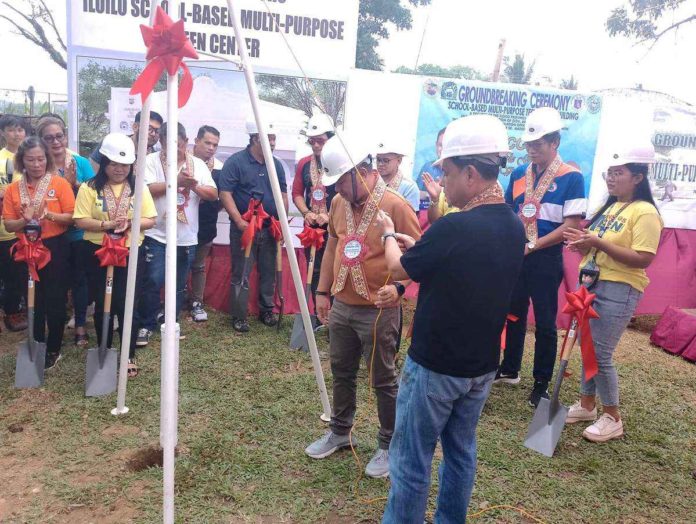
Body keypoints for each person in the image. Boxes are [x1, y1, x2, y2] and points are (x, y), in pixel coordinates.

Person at [377, 115, 525, 524]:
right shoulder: (513, 225)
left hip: (435, 367)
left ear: (472, 174)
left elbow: (400, 269)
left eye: (447, 172)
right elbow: (458, 264)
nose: (442, 183)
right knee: (461, 454)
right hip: (479, 368)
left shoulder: (455, 226)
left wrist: (390, 234)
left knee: (410, 458)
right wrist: (421, 245)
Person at [304, 132, 421, 479]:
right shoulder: (339, 203)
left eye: (341, 181)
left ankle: (388, 444)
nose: (337, 189)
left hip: (379, 309)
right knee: (341, 370)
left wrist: (399, 288)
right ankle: (340, 431)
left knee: (383, 378)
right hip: (342, 304)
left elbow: (418, 258)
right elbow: (332, 247)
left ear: (362, 171)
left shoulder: (397, 206)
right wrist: (323, 293)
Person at [563, 136, 662, 443]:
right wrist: (582, 246)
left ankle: (613, 417)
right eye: (610, 171)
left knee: (601, 353)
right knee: (587, 348)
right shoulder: (611, 207)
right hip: (590, 285)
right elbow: (598, 251)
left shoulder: (644, 212)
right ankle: (587, 404)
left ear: (638, 177)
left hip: (618, 288)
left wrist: (597, 242)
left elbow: (644, 257)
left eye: (619, 172)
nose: (611, 176)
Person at [496, 107, 587, 407]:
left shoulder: (572, 177)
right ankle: (510, 369)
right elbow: (511, 211)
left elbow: (571, 226)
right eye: (529, 144)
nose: (532, 149)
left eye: (538, 144)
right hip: (518, 254)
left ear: (555, 142)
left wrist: (533, 246)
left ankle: (541, 382)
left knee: (546, 322)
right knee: (513, 313)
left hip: (546, 258)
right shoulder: (521, 174)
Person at [73, 133, 157, 378]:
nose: (119, 169)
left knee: (127, 303)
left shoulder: (138, 187)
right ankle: (105, 349)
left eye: (124, 164)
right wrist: (106, 225)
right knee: (103, 301)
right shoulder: (89, 187)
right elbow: (79, 220)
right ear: (104, 162)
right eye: (113, 163)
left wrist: (130, 221)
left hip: (130, 251)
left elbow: (150, 219)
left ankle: (128, 353)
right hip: (97, 251)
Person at [136, 122, 218, 346]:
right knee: (153, 280)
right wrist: (175, 182)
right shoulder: (152, 161)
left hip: (186, 236)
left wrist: (193, 187)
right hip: (157, 234)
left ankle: (171, 323)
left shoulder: (197, 164)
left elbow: (213, 193)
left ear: (186, 141)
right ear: (161, 141)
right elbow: (145, 190)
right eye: (170, 145)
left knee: (179, 283)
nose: (176, 151)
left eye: (180, 146)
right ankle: (146, 324)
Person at [2, 137, 75, 369]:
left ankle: (54, 347)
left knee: (55, 298)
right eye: (31, 160)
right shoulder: (14, 189)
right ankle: (37, 343)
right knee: (33, 299)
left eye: (41, 159)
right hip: (25, 248)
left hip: (55, 247)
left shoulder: (59, 183)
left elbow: (72, 218)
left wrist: (49, 216)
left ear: (48, 159)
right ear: (22, 161)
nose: (36, 164)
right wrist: (24, 220)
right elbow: (8, 225)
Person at [218, 117, 288, 333]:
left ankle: (267, 310)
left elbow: (283, 195)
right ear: (256, 139)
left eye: (275, 139)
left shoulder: (275, 164)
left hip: (269, 228)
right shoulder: (235, 162)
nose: (274, 143)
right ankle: (239, 316)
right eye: (270, 139)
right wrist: (239, 220)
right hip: (244, 228)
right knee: (242, 272)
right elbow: (225, 193)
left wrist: (282, 223)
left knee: (268, 272)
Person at [36, 116, 95, 347]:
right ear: (41, 140)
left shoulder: (80, 163)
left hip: (79, 234)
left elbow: (95, 195)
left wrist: (74, 184)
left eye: (59, 136)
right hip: (52, 234)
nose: (55, 141)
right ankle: (54, 327)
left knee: (80, 280)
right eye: (49, 138)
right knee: (56, 283)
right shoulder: (38, 165)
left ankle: (80, 323)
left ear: (66, 136)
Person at [292, 112, 336, 305]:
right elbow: (297, 193)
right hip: (312, 228)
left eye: (321, 141)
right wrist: (307, 212)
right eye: (312, 142)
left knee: (335, 268)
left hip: (335, 227)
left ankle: (336, 315)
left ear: (330, 139)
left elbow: (347, 197)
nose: (316, 145)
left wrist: (329, 216)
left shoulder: (338, 162)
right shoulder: (303, 163)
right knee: (315, 268)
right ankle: (319, 314)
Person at [188, 125, 223, 322]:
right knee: (178, 264)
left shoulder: (219, 168)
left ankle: (197, 302)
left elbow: (219, 199)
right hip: (180, 224)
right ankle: (173, 301)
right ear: (196, 141)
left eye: (215, 145)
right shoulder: (182, 163)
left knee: (199, 265)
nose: (211, 148)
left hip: (206, 225)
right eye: (207, 143)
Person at [0, 115, 30, 331]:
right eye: (11, 130)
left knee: (25, 272)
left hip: (30, 228)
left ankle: (27, 308)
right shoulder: (1, 159)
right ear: (3, 133)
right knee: (10, 272)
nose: (16, 134)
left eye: (20, 129)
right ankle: (11, 312)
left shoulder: (32, 158)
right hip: (6, 227)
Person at [89, 110, 164, 171]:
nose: (153, 134)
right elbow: (93, 168)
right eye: (149, 129)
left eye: (157, 131)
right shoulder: (113, 143)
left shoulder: (156, 157)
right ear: (135, 127)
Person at [376, 139, 420, 212]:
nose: (380, 164)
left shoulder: (409, 187)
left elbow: (412, 220)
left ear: (399, 161)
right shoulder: (372, 182)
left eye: (386, 160)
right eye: (378, 160)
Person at [415, 127, 446, 196]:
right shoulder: (428, 167)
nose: (442, 149)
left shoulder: (457, 171)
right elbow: (416, 193)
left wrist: (440, 195)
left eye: (445, 146)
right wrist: (431, 195)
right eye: (440, 145)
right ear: (436, 145)